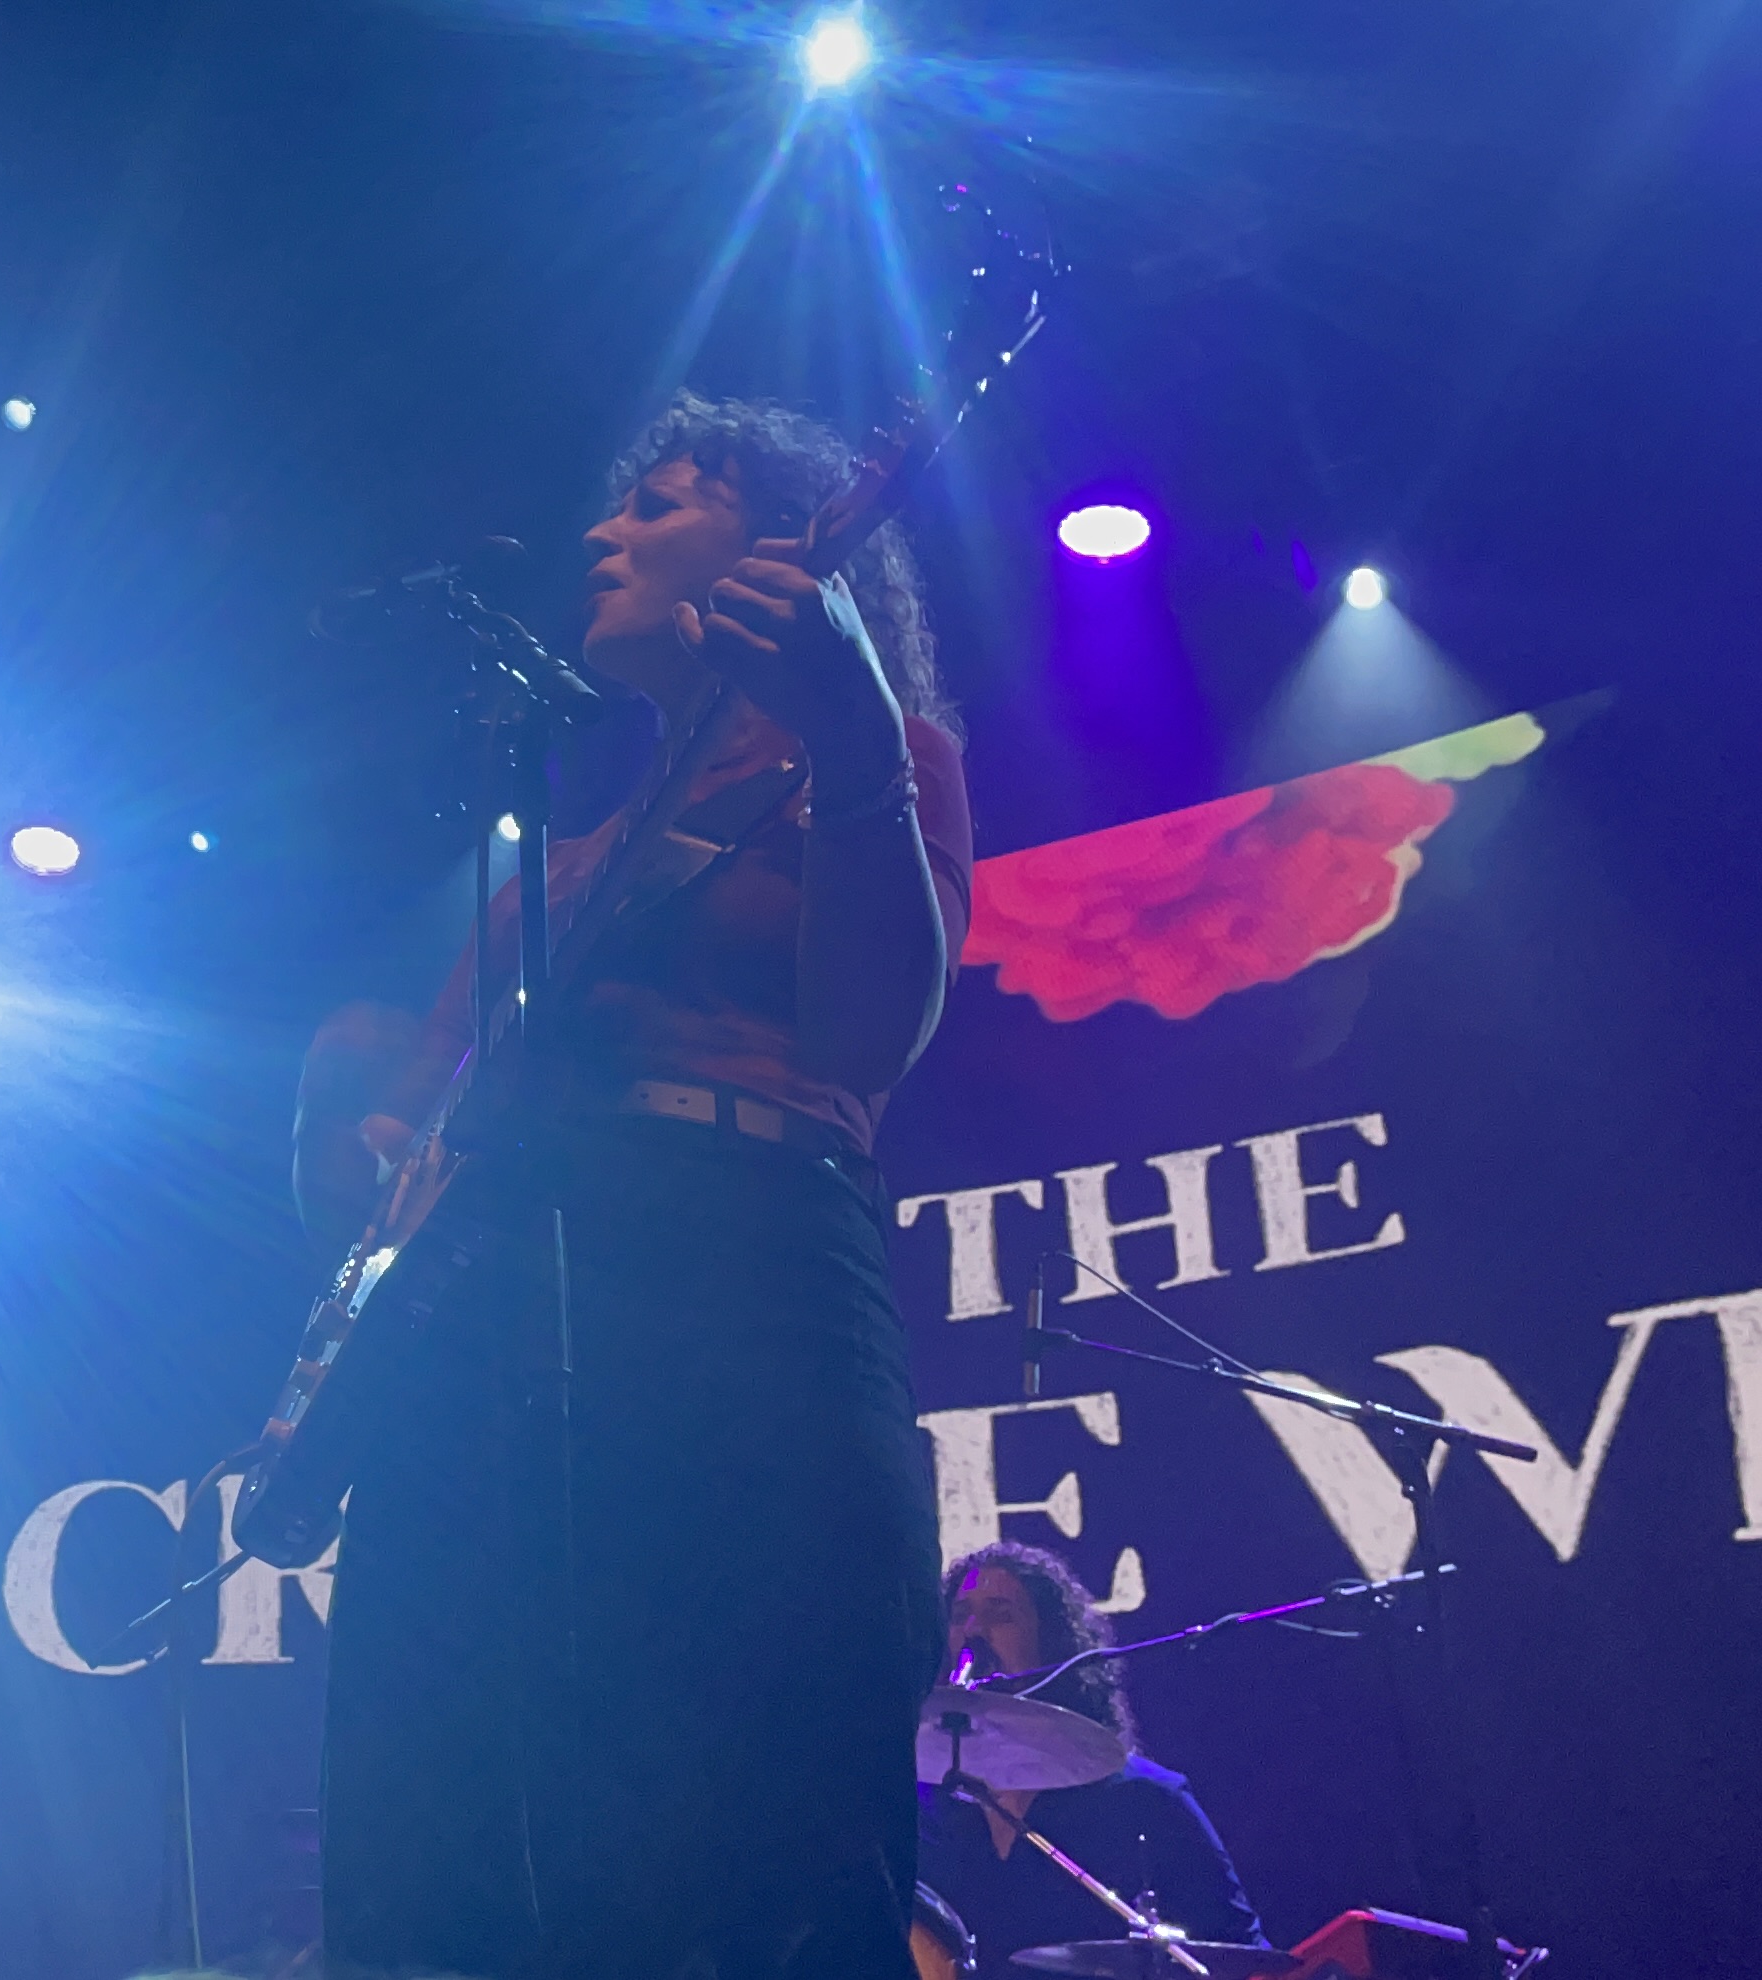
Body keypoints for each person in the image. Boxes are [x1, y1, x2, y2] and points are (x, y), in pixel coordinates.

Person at [296, 391, 972, 1979]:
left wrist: (856, 737)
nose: (607, 530)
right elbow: (385, 1180)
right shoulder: (558, 867)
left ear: (786, 552)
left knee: (769, 1811)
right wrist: (341, 1125)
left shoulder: (878, 755)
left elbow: (873, 1033)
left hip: (743, 1276)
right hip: (509, 1325)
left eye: (662, 503)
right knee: (473, 1815)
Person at [915, 1544, 1263, 1978]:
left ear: (1050, 1637)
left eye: (999, 1613)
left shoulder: (1142, 1797)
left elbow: (1239, 1952)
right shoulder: (919, 1803)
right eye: (960, 1613)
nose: (973, 1630)